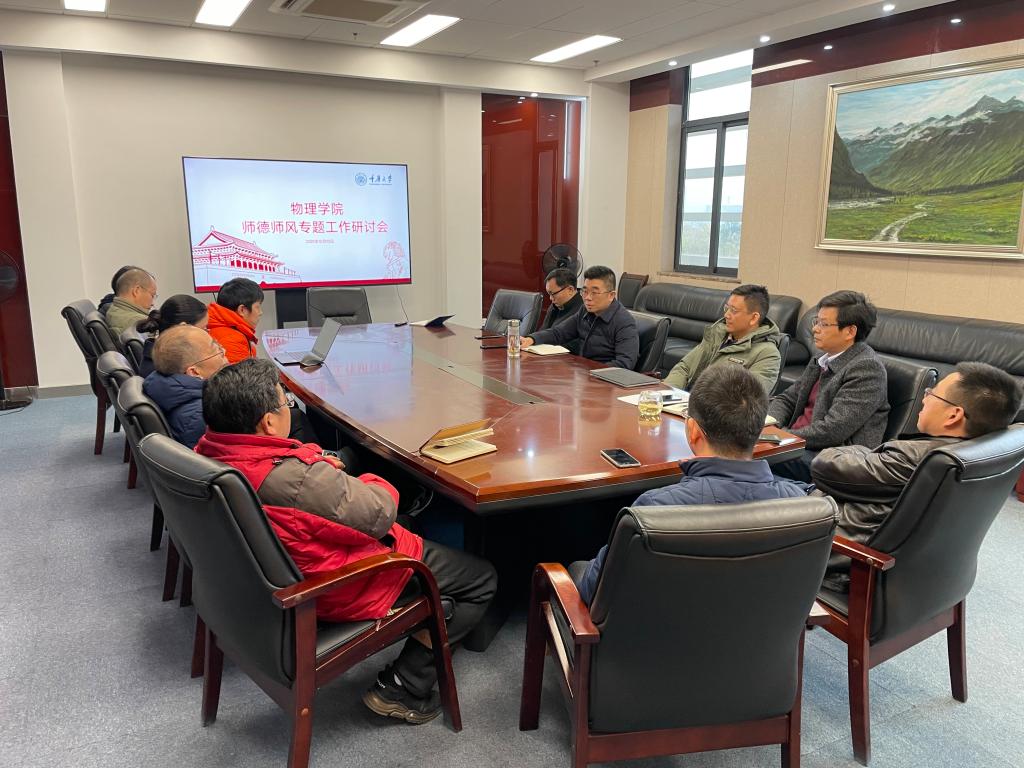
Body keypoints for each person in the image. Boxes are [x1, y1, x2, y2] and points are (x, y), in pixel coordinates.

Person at [195, 359, 497, 724]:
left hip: (270, 576)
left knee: (411, 521)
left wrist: (319, 468)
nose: (289, 406)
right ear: (268, 423)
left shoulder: (210, 449)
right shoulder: (296, 481)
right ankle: (403, 687)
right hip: (335, 585)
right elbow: (379, 512)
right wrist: (368, 479)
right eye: (285, 401)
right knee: (481, 578)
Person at [572, 365, 812, 604]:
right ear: (758, 430)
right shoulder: (801, 503)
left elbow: (594, 588)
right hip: (761, 626)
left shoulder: (655, 509)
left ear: (692, 431)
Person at [813, 362, 1022, 590]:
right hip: (928, 574)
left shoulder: (914, 458)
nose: (924, 398)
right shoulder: (982, 454)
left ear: (953, 415)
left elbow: (823, 465)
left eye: (932, 393)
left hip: (835, 552)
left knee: (780, 486)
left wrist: (862, 450)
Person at [769, 290, 889, 483]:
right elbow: (787, 399)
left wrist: (779, 437)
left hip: (830, 458)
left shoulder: (867, 369)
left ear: (850, 331)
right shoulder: (822, 358)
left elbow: (832, 430)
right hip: (797, 443)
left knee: (744, 454)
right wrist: (770, 425)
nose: (815, 329)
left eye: (823, 324)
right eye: (816, 321)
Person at [664, 284, 782, 394]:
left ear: (754, 318)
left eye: (734, 311)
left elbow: (747, 398)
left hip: (712, 408)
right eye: (727, 308)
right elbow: (684, 368)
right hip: (683, 402)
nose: (726, 315)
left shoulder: (767, 354)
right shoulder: (717, 336)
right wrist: (667, 394)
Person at [521, 265, 639, 369]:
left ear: (611, 295)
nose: (588, 298)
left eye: (594, 293)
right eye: (585, 291)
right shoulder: (584, 311)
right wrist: (531, 339)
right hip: (581, 372)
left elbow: (625, 363)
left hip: (602, 380)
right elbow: (559, 333)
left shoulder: (624, 322)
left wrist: (592, 373)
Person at [142, 325, 228, 448]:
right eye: (217, 350)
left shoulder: (163, 385)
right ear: (194, 372)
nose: (224, 351)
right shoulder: (205, 414)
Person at [134, 294, 209, 377]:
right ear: (183, 329)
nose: (207, 334)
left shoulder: (160, 354)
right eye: (203, 329)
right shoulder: (170, 368)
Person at [207, 277, 264, 364]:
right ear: (242, 310)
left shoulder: (225, 330)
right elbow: (244, 373)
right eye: (258, 307)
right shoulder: (233, 341)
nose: (260, 312)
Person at [537, 268, 584, 350]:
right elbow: (543, 331)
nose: (551, 298)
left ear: (570, 290)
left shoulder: (583, 310)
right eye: (549, 294)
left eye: (553, 294)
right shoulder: (554, 305)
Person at [105, 268, 158, 336]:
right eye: (152, 295)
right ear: (136, 291)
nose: (153, 303)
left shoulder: (112, 309)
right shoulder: (140, 323)